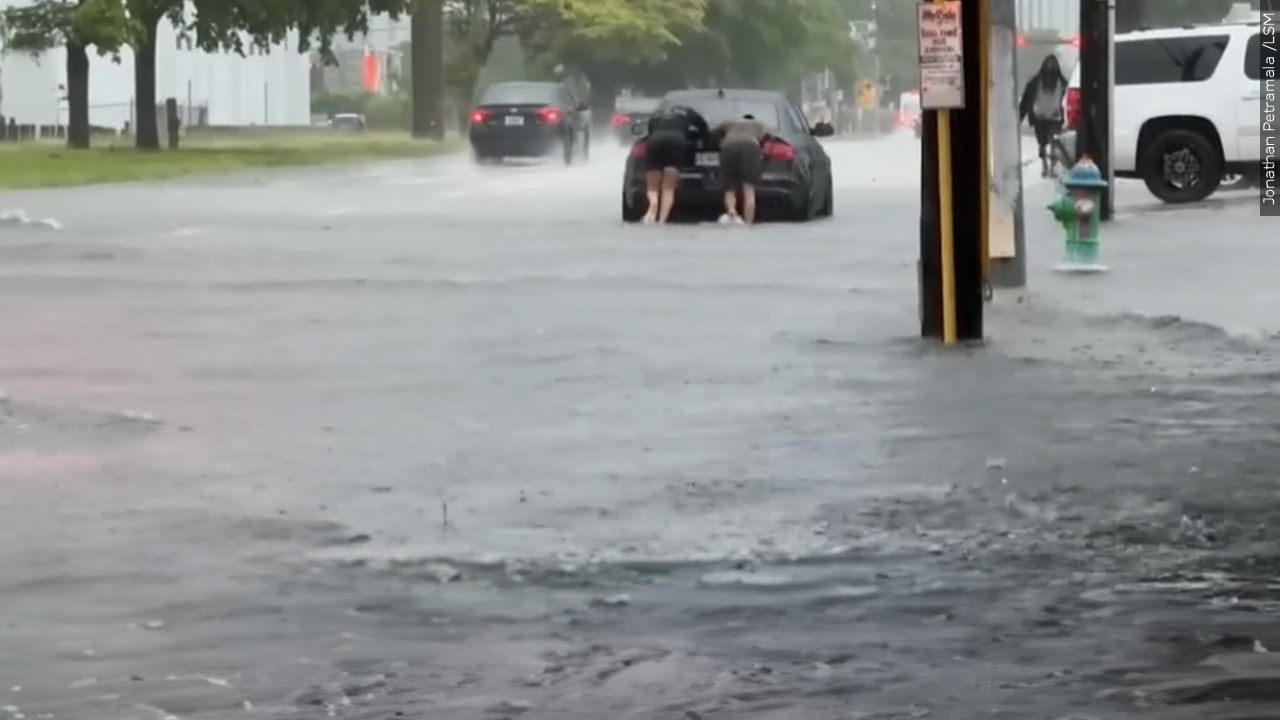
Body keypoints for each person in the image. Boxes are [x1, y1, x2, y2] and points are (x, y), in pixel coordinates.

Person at [641, 105, 709, 224]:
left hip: (654, 142)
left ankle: (653, 204)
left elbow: (650, 131)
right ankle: (662, 219)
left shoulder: (658, 113)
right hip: (677, 143)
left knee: (652, 188)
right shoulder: (689, 112)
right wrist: (694, 139)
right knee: (668, 188)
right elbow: (704, 129)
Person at [712, 114, 772, 225]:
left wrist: (718, 142)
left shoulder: (729, 122)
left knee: (729, 187)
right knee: (749, 189)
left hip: (729, 147)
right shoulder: (759, 124)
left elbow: (713, 132)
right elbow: (770, 137)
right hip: (750, 148)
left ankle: (731, 211)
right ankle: (748, 223)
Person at [1020, 54, 1069, 178]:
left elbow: (1026, 101)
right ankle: (1047, 166)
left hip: (1049, 118)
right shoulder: (1059, 83)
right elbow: (1026, 101)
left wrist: (1019, 117)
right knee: (1046, 143)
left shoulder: (1038, 82)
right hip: (1044, 118)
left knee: (1050, 143)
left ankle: (1049, 166)